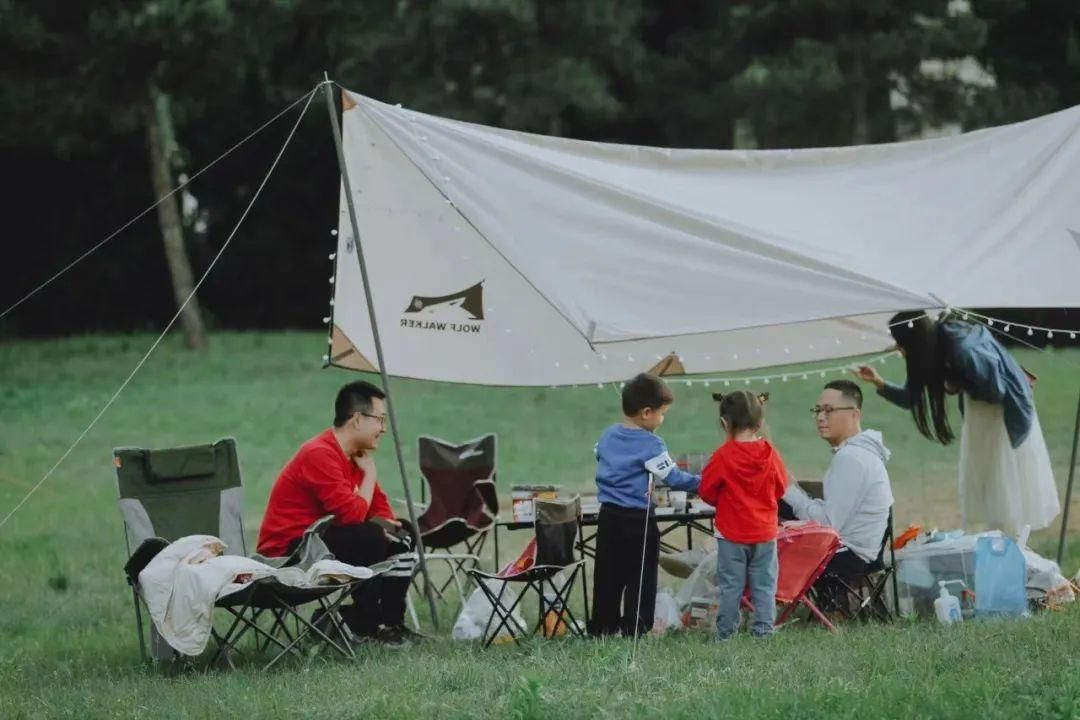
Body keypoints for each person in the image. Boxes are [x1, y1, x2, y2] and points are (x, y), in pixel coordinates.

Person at [853, 310, 1059, 535]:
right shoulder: (931, 348)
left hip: (1000, 416)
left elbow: (995, 390)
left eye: (901, 343)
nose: (900, 350)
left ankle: (1012, 541)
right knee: (990, 482)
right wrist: (878, 382)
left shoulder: (960, 347)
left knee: (1002, 480)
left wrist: (954, 382)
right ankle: (1003, 539)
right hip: (981, 414)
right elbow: (910, 398)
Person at [256, 381, 418, 647]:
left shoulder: (354, 456)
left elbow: (379, 509)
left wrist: (392, 529)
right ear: (357, 419)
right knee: (369, 536)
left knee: (403, 532)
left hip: (321, 542)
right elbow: (353, 516)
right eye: (380, 419)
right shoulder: (319, 454)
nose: (384, 428)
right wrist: (370, 474)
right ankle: (367, 625)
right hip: (289, 552)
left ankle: (390, 624)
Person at [589, 373, 701, 637]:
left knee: (607, 575)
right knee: (640, 577)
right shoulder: (652, 444)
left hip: (608, 518)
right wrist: (705, 482)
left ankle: (603, 627)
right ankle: (635, 628)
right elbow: (674, 478)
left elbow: (599, 454)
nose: (662, 420)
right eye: (662, 414)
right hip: (638, 520)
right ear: (646, 413)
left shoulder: (607, 436)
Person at [783, 380, 894, 586]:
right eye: (817, 410)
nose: (820, 417)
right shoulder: (859, 453)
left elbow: (828, 524)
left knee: (771, 535)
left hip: (847, 557)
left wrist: (787, 489)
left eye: (828, 410)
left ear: (855, 414)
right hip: (861, 553)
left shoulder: (851, 457)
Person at [698, 391, 787, 640]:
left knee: (730, 587)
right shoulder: (771, 455)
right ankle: (763, 631)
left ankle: (725, 633)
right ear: (759, 423)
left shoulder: (723, 457)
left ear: (725, 424)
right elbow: (780, 488)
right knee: (765, 586)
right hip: (765, 535)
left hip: (731, 535)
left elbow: (706, 491)